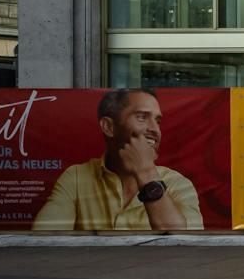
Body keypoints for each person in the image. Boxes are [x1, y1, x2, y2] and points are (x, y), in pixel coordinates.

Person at [33, 90, 204, 232]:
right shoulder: (76, 177)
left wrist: (145, 173)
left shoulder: (177, 183)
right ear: (109, 127)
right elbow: (43, 239)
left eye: (157, 121)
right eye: (142, 117)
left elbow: (185, 241)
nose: (155, 129)